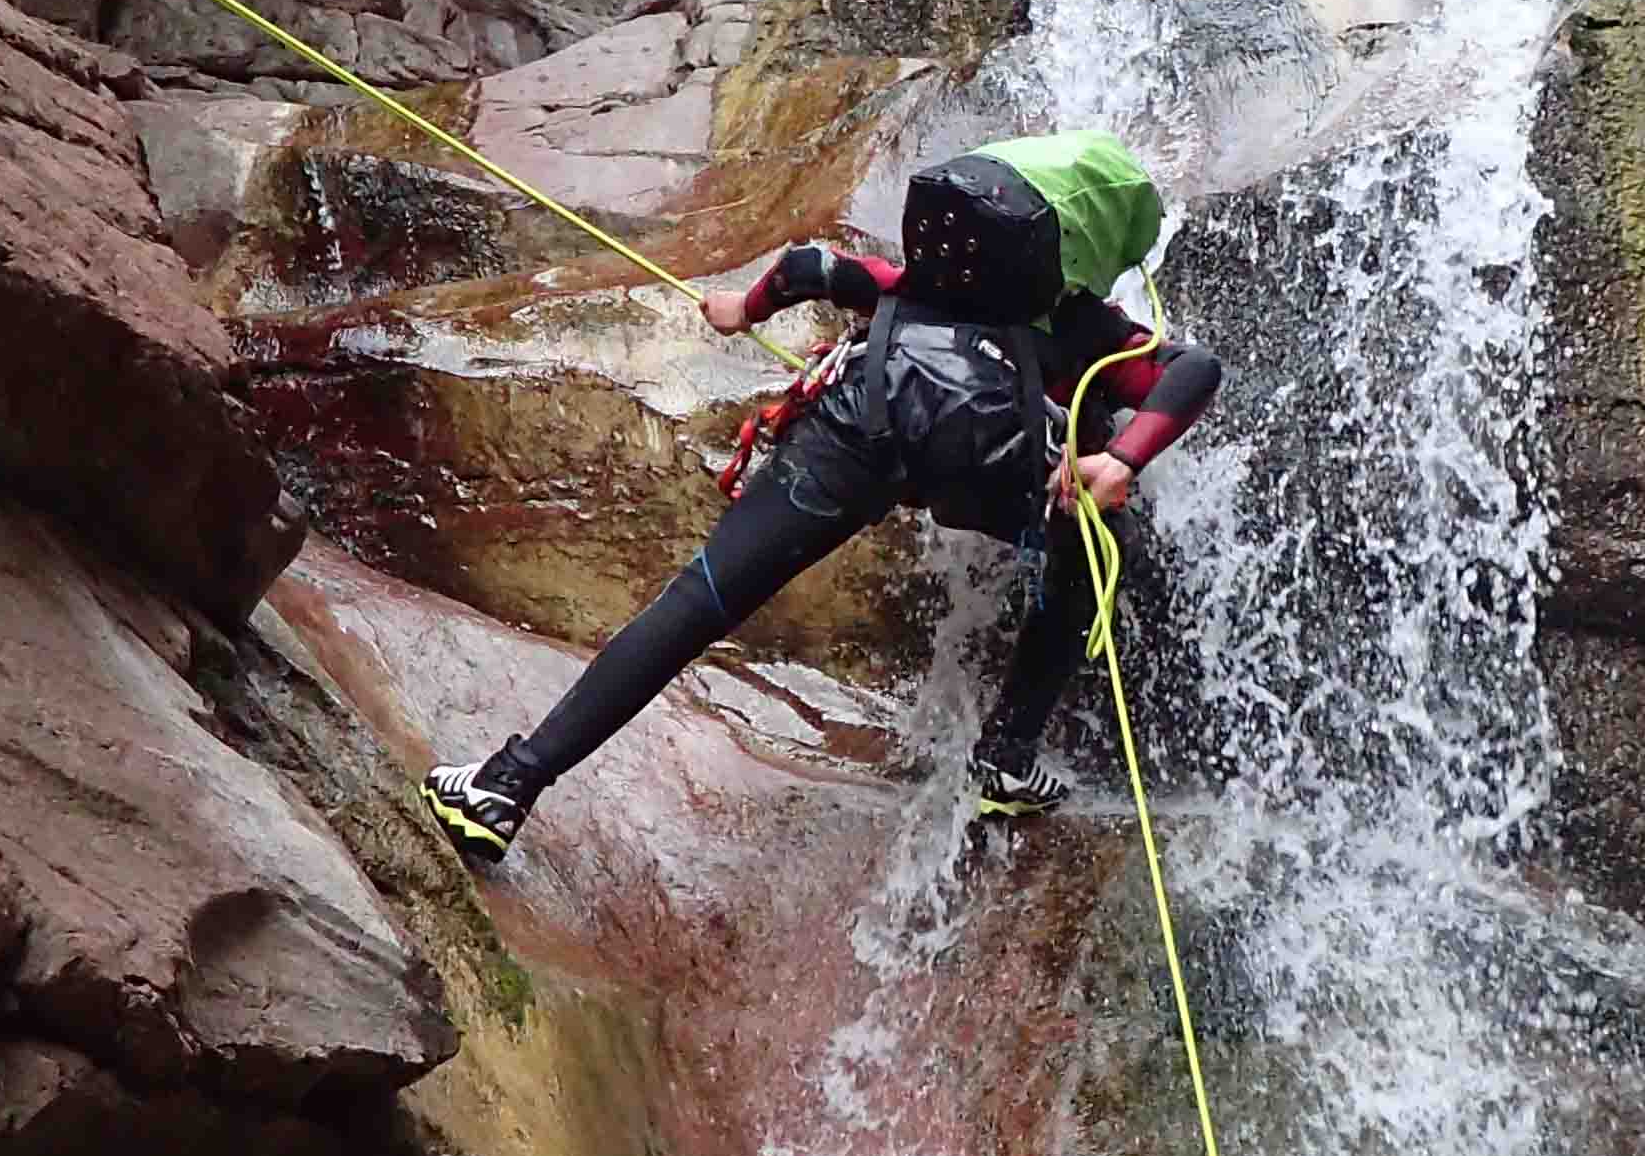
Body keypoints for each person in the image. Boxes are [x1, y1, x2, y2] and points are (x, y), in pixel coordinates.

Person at [424, 133, 1223, 869]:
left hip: (857, 428)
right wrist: (1120, 460)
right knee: (1096, 537)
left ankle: (508, 783)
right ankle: (1007, 756)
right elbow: (1193, 370)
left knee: (698, 602)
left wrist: (742, 310)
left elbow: (811, 267)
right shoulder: (1086, 328)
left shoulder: (912, 282)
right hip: (981, 459)